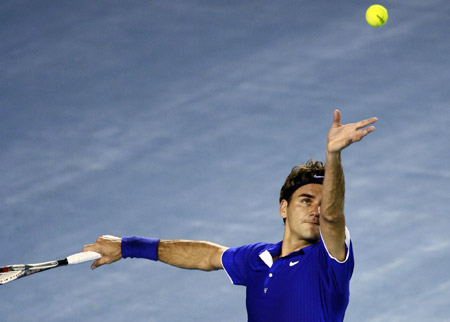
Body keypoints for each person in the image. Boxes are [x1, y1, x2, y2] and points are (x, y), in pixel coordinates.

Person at [83, 109, 377, 322]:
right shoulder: (258, 258)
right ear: (283, 208)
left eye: (323, 203)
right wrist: (127, 246)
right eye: (306, 200)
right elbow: (206, 256)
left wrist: (333, 155)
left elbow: (333, 219)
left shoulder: (329, 262)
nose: (317, 210)